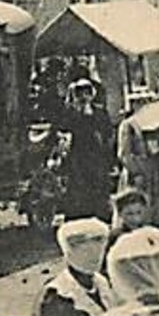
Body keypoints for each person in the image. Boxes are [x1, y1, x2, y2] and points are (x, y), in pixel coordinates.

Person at [57, 79, 114, 219]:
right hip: (77, 154)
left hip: (96, 154)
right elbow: (64, 129)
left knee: (98, 186)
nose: (84, 96)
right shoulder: (70, 112)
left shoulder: (99, 111)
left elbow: (107, 130)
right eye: (80, 93)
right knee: (78, 188)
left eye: (87, 92)